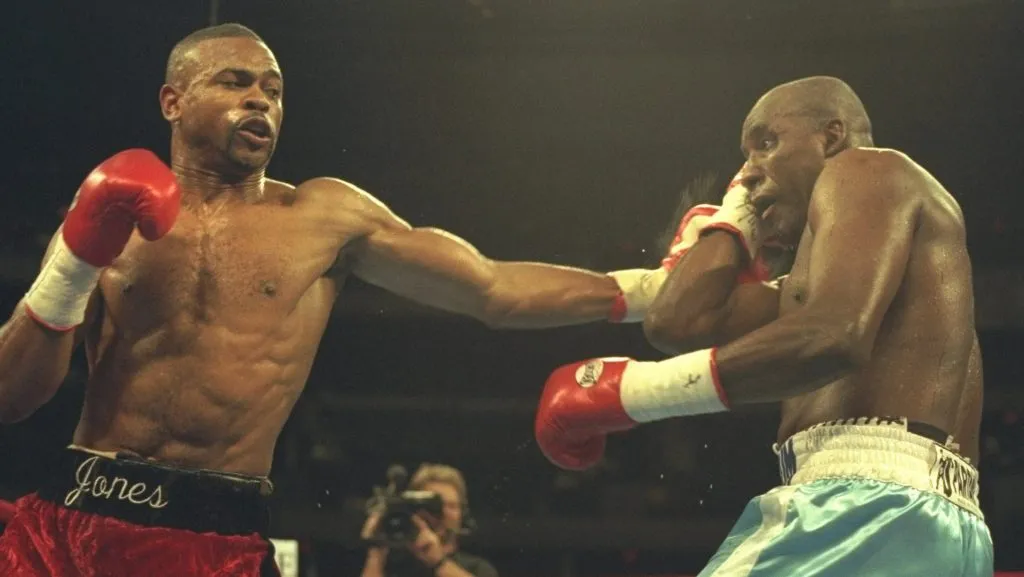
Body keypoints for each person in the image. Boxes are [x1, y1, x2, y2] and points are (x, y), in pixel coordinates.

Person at [0, 23, 683, 577]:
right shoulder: (108, 217)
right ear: (172, 102)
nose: (260, 101)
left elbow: (491, 287)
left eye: (273, 90)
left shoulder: (323, 218)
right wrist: (74, 258)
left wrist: (650, 292)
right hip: (73, 520)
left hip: (215, 539)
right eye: (235, 82)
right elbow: (12, 396)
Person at [534, 76, 994, 576]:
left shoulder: (866, 167)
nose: (749, 171)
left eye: (767, 143)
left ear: (831, 137)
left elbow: (833, 337)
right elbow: (678, 322)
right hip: (942, 525)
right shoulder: (829, 282)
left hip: (858, 508)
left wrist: (634, 393)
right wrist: (732, 220)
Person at [360, 463, 498, 577]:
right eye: (434, 505)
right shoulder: (390, 567)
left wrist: (438, 562)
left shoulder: (478, 569)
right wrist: (376, 549)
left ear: (462, 514)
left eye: (451, 506)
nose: (444, 513)